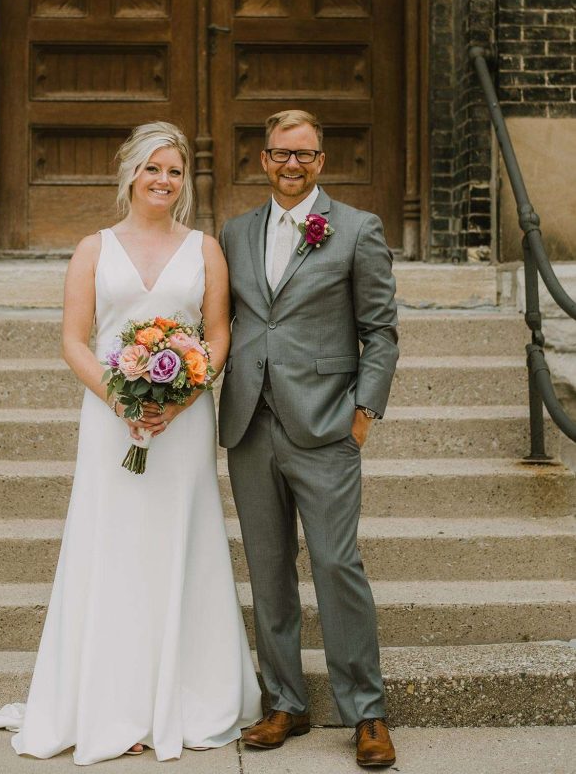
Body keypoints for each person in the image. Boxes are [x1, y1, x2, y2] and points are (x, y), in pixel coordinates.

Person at [0, 122, 261, 764]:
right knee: (113, 544)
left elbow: (217, 335)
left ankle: (187, 697)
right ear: (130, 172)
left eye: (175, 171)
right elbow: (74, 340)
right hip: (111, 418)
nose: (164, 180)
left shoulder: (205, 249)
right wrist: (122, 400)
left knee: (180, 540)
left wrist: (181, 398)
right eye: (153, 167)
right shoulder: (93, 249)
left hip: (183, 421)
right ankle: (112, 702)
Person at [218, 109, 399, 768]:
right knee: (268, 570)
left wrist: (363, 412)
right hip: (250, 424)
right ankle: (286, 703)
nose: (291, 165)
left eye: (304, 154)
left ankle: (366, 712)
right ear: (263, 159)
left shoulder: (357, 228)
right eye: (280, 153)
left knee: (335, 564)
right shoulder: (234, 233)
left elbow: (380, 330)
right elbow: (229, 320)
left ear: (321, 161)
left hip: (325, 424)